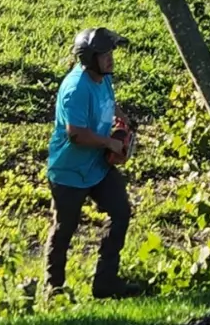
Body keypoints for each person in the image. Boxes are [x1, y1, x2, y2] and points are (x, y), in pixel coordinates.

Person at [44, 27, 143, 301]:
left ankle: (105, 284)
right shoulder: (75, 88)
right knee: (65, 228)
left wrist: (125, 121)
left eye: (111, 52)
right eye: (104, 54)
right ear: (89, 58)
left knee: (121, 212)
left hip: (97, 167)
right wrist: (111, 144)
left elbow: (109, 103)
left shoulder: (104, 78)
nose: (110, 58)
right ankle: (54, 289)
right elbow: (76, 133)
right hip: (68, 171)